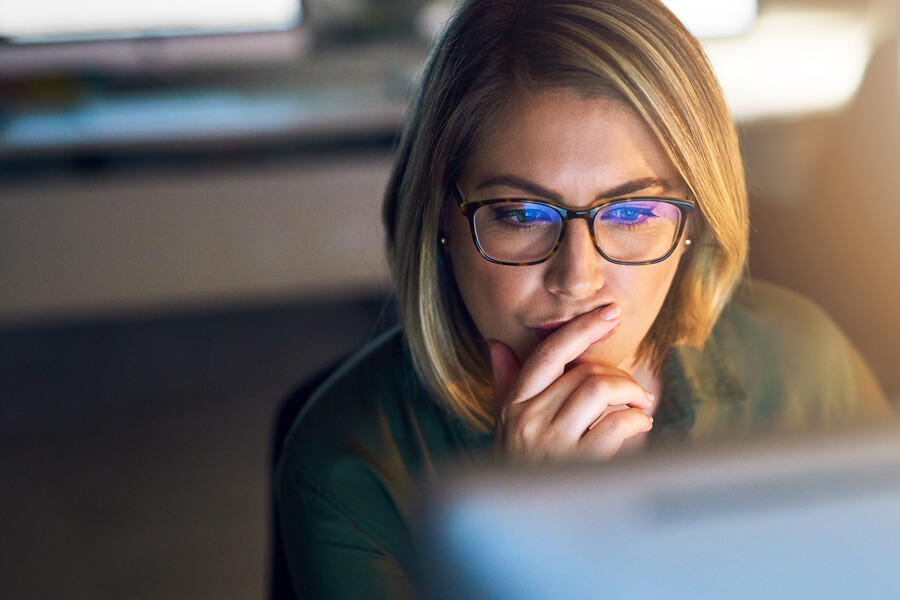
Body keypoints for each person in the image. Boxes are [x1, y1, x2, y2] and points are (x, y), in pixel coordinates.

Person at [274, 1, 894, 598]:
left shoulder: (804, 364)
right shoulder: (345, 467)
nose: (576, 278)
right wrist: (537, 531)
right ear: (440, 218)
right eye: (519, 213)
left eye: (630, 212)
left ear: (694, 226)